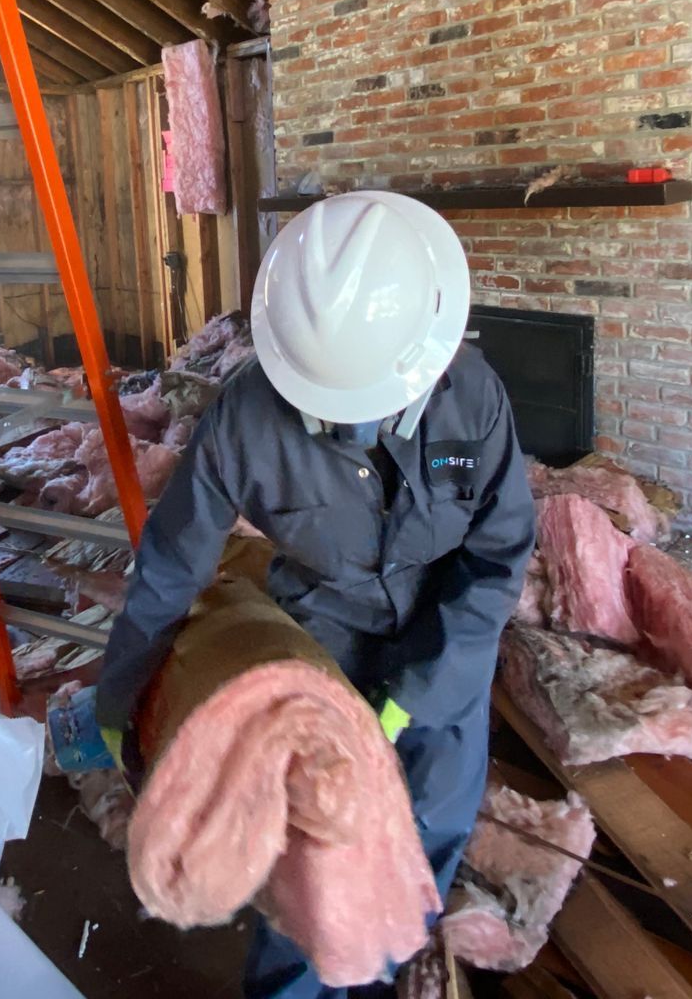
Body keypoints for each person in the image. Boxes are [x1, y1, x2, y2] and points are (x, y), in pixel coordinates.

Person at [95, 191, 537, 999]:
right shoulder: (244, 420)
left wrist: (420, 690)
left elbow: (497, 554)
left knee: (430, 827)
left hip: (448, 642)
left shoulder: (473, 397)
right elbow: (172, 566)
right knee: (312, 865)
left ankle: (382, 968)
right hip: (319, 639)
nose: (353, 426)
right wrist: (121, 696)